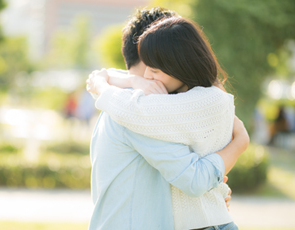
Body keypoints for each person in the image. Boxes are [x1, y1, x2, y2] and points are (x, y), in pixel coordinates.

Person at [87, 8, 249, 230]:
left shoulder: (138, 110)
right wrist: (239, 144)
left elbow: (196, 180)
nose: (147, 78)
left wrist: (102, 81)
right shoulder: (137, 109)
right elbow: (197, 180)